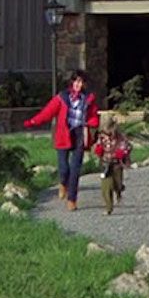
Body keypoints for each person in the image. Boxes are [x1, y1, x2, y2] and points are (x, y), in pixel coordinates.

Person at [23, 72, 98, 211]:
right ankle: (63, 183)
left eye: (81, 82)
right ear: (72, 82)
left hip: (79, 134)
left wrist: (93, 123)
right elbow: (48, 112)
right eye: (76, 81)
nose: (78, 84)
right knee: (64, 169)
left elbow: (93, 116)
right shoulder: (62, 97)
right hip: (63, 134)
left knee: (75, 169)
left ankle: (72, 199)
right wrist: (33, 121)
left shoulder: (88, 99)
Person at [92, 121, 132, 215]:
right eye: (105, 132)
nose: (107, 135)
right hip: (105, 164)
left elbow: (128, 147)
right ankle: (108, 208)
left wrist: (122, 153)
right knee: (106, 187)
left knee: (117, 184)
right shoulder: (101, 138)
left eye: (109, 133)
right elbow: (97, 146)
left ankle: (119, 190)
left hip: (116, 164)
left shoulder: (121, 138)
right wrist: (98, 150)